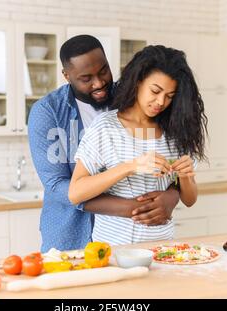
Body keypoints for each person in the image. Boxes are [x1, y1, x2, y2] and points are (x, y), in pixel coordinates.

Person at [28, 36, 181, 252]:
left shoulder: (131, 97)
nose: (99, 83)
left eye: (103, 71)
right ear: (67, 76)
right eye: (86, 78)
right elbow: (56, 186)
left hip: (130, 237)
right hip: (70, 233)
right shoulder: (47, 112)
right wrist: (132, 208)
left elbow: (166, 154)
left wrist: (172, 196)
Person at [69, 45, 208, 245]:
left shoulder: (175, 130)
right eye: (155, 91)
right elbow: (76, 193)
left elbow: (190, 199)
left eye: (169, 96)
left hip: (162, 248)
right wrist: (130, 167)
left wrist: (185, 177)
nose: (161, 102)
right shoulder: (106, 127)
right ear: (138, 81)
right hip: (114, 249)